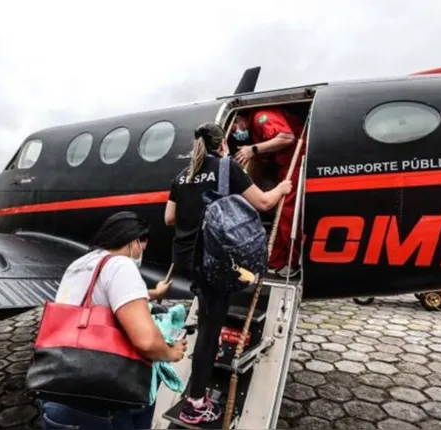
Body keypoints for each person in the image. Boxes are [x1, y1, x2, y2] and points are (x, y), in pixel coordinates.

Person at [163, 122, 292, 424]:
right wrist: (282, 189)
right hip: (214, 262)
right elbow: (262, 203)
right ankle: (195, 403)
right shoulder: (226, 167)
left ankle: (209, 345)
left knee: (208, 315)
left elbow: (169, 218)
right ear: (222, 144)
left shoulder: (182, 175)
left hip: (190, 260)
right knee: (209, 331)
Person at [40, 211, 187, 430]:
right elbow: (146, 341)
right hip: (101, 402)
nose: (140, 255)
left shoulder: (81, 263)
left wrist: (155, 293)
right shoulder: (121, 264)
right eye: (141, 248)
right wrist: (171, 352)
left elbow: (112, 296)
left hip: (57, 392)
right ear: (134, 241)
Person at [232, 109, 305, 278]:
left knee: (287, 211)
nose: (237, 132)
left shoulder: (261, 117)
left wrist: (253, 149)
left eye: (235, 127)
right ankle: (276, 261)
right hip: (284, 166)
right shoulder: (255, 131)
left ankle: (292, 262)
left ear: (239, 119)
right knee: (281, 213)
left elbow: (287, 137)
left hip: (296, 161)